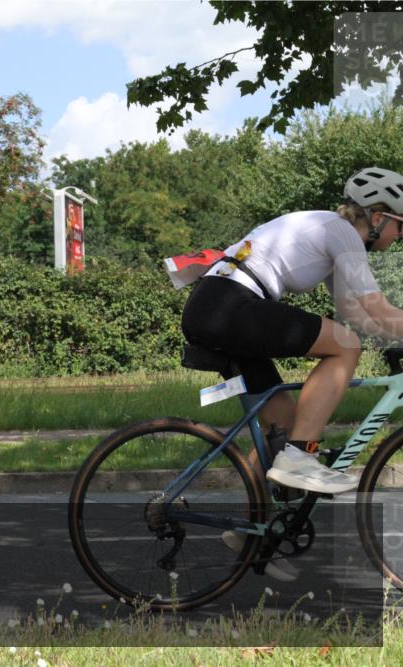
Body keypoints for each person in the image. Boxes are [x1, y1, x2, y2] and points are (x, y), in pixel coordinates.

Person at [180, 167, 403, 579]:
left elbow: (358, 315)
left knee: (279, 426)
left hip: (216, 304)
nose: (400, 236)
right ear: (376, 216)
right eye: (399, 225)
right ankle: (302, 458)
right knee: (344, 348)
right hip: (231, 304)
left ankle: (252, 531)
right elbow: (374, 312)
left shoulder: (332, 232)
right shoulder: (341, 232)